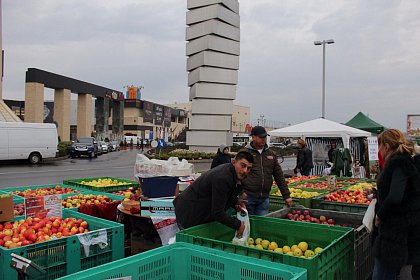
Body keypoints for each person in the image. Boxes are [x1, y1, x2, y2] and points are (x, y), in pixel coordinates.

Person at [372, 129, 420, 280]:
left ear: (386, 146)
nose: (379, 150)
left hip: (394, 232)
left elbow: (395, 196)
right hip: (402, 228)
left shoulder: (398, 162)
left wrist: (380, 215)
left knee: (382, 274)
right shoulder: (405, 160)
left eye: (380, 146)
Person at [174, 151, 254, 235]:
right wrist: (238, 225)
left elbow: (225, 194)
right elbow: (217, 213)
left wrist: (235, 203)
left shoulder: (234, 174)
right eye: (243, 165)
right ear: (234, 162)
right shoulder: (223, 178)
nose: (245, 170)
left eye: (249, 168)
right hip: (189, 213)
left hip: (198, 212)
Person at [241, 126, 292, 216]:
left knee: (261, 226)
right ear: (253, 137)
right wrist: (241, 192)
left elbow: (279, 175)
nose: (263, 139)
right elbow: (236, 174)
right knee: (247, 225)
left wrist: (286, 196)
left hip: (264, 198)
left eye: (264, 137)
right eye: (261, 137)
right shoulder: (245, 153)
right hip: (248, 197)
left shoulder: (270, 154)